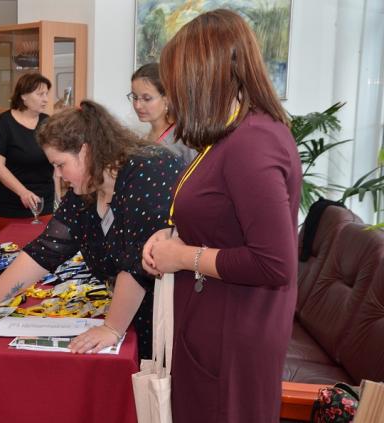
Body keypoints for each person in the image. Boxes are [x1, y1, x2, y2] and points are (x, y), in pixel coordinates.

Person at [142, 9, 302, 422]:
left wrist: (182, 257)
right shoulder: (230, 135)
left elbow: (273, 262)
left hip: (233, 336)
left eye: (178, 84)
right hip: (214, 325)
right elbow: (219, 220)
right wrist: (168, 238)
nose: (174, 97)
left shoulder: (252, 143)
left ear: (205, 76)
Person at [0, 100, 186, 359]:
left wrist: (112, 328)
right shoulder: (87, 187)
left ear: (86, 152)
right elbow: (46, 249)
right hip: (133, 308)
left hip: (169, 312)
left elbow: (138, 262)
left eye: (60, 165)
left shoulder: (148, 170)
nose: (58, 175)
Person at [0, 72, 60, 237]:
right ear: (23, 96)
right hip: (10, 203)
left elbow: (56, 164)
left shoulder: (48, 123)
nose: (46, 99)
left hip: (43, 201)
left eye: (47, 94)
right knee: (7, 252)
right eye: (40, 94)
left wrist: (58, 199)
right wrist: (23, 192)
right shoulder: (3, 124)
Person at [129, 63, 195, 164]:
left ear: (167, 98)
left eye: (147, 99)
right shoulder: (143, 136)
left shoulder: (184, 139)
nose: (137, 105)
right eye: (134, 97)